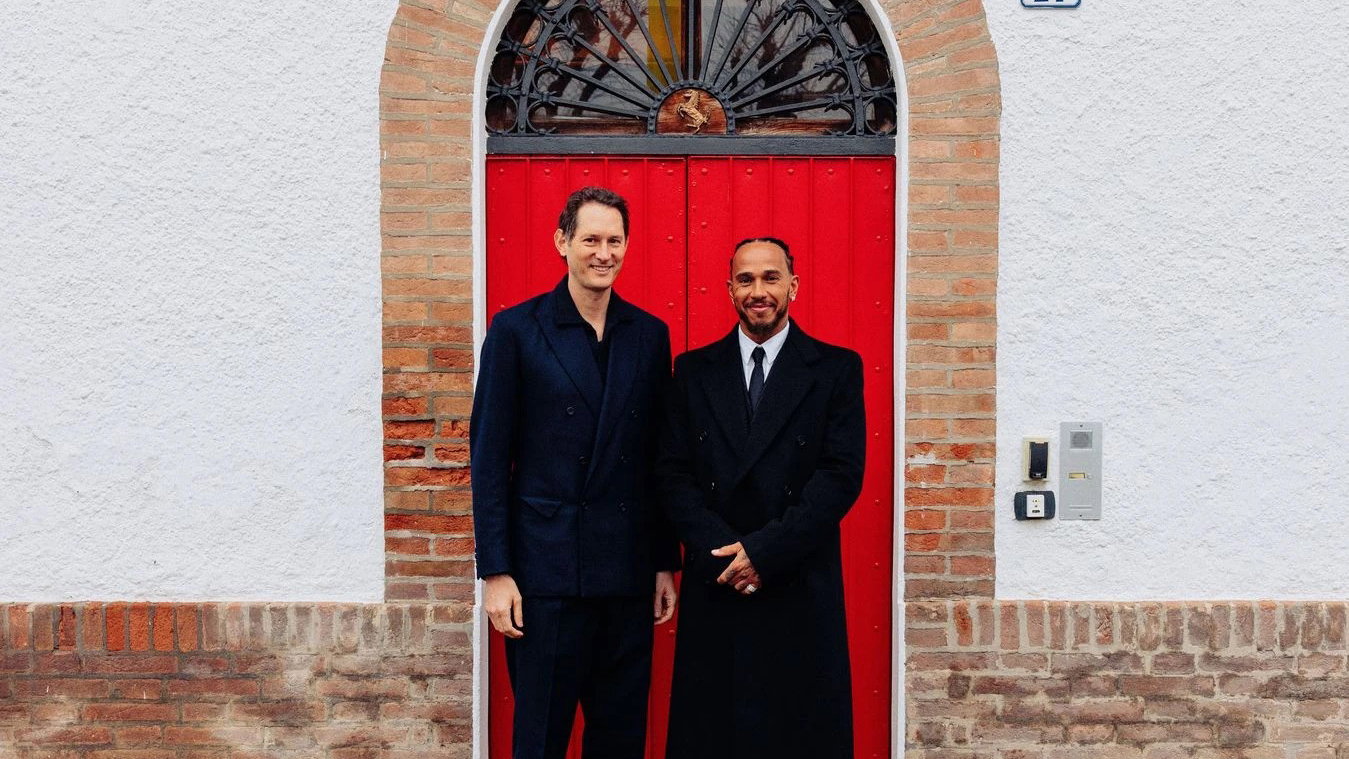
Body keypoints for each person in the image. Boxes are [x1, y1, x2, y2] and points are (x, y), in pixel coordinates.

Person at [470, 186, 680, 759]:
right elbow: (489, 457)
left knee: (619, 740)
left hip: (625, 574)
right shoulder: (517, 330)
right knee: (540, 740)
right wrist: (496, 571)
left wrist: (665, 560)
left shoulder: (648, 334)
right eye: (590, 239)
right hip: (545, 577)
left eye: (615, 240)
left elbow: (657, 457)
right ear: (562, 241)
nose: (603, 252)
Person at [658, 236, 866, 759]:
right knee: (716, 735)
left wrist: (765, 553)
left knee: (798, 735)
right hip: (720, 579)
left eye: (770, 278)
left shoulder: (835, 369)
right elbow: (672, 475)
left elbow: (840, 476)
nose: (759, 291)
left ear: (793, 286)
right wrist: (727, 553)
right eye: (746, 279)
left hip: (798, 580)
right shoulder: (693, 371)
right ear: (729, 289)